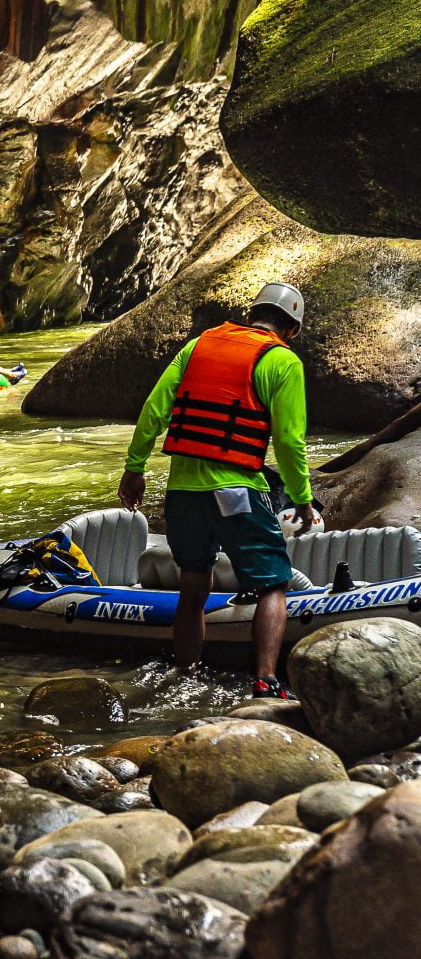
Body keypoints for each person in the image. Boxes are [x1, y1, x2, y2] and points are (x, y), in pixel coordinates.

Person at [119, 283, 314, 697]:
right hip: (238, 491)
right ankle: (265, 680)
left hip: (183, 493)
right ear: (292, 328)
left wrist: (134, 469)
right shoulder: (283, 361)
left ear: (252, 313)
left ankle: (186, 674)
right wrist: (301, 496)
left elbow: (153, 410)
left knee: (193, 584)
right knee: (273, 585)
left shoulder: (197, 348)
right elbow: (290, 441)